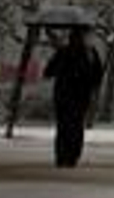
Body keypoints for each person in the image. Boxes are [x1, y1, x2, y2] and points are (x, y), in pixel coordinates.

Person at [44, 28, 103, 168]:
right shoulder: (90, 53)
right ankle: (72, 156)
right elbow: (98, 76)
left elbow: (48, 72)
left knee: (63, 127)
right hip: (81, 96)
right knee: (76, 126)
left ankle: (61, 156)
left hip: (63, 96)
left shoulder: (63, 52)